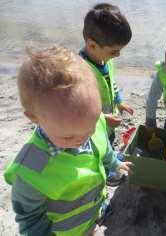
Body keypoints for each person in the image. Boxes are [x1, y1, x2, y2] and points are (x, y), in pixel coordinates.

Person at [4, 46, 133, 235]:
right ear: (34, 118)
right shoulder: (31, 170)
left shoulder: (92, 121)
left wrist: (114, 163)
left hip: (92, 211)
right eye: (68, 137)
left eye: (90, 128)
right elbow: (30, 220)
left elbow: (104, 149)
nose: (83, 139)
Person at [80, 3, 134, 186]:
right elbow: (78, 108)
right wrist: (102, 118)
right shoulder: (80, 71)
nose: (118, 55)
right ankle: (106, 173)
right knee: (97, 145)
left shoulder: (105, 59)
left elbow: (112, 84)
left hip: (107, 120)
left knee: (108, 139)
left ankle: (110, 159)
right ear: (92, 45)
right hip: (92, 125)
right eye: (114, 51)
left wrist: (119, 102)